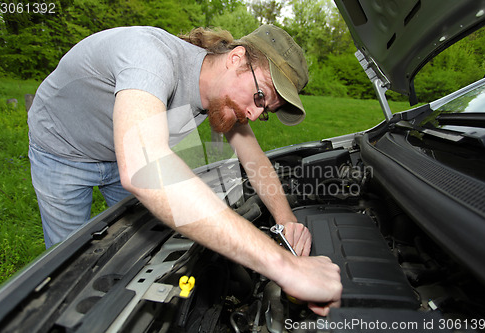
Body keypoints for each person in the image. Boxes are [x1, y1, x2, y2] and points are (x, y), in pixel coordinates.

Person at [27, 24, 342, 315]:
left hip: (120, 150)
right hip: (62, 150)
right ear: (236, 58)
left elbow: (255, 159)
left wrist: (286, 220)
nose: (255, 114)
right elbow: (144, 169)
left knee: (132, 255)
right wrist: (286, 268)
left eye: (266, 109)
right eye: (260, 97)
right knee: (71, 272)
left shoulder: (219, 95)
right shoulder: (149, 56)